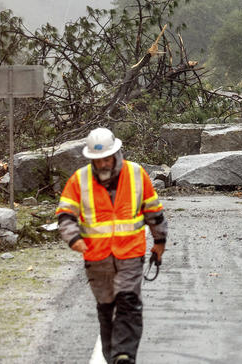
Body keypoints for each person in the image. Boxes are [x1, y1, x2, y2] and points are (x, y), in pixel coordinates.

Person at [55, 127, 168, 364]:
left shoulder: (136, 174)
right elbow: (65, 214)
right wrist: (73, 238)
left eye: (107, 158)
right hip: (97, 259)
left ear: (116, 154)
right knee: (106, 309)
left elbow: (153, 210)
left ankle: (123, 355)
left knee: (128, 303)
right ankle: (112, 356)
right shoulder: (80, 179)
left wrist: (159, 241)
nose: (104, 164)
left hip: (130, 254)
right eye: (98, 160)